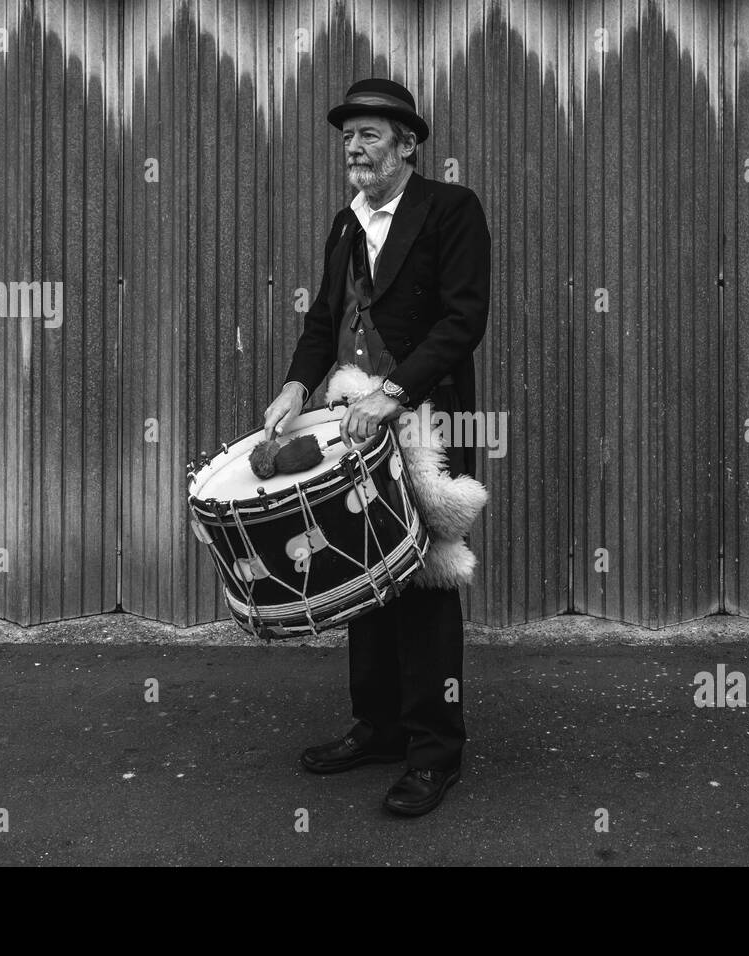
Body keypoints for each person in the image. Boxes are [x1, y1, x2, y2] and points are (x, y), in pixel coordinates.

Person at [263, 78, 491, 817]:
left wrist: (392, 394)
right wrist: (297, 388)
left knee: (423, 584)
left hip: (426, 423)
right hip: (349, 424)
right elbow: (323, 323)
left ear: (407, 145)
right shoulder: (345, 224)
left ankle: (434, 751)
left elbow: (462, 321)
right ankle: (380, 726)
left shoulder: (451, 210)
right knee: (363, 570)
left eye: (369, 135)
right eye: (347, 137)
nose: (353, 148)